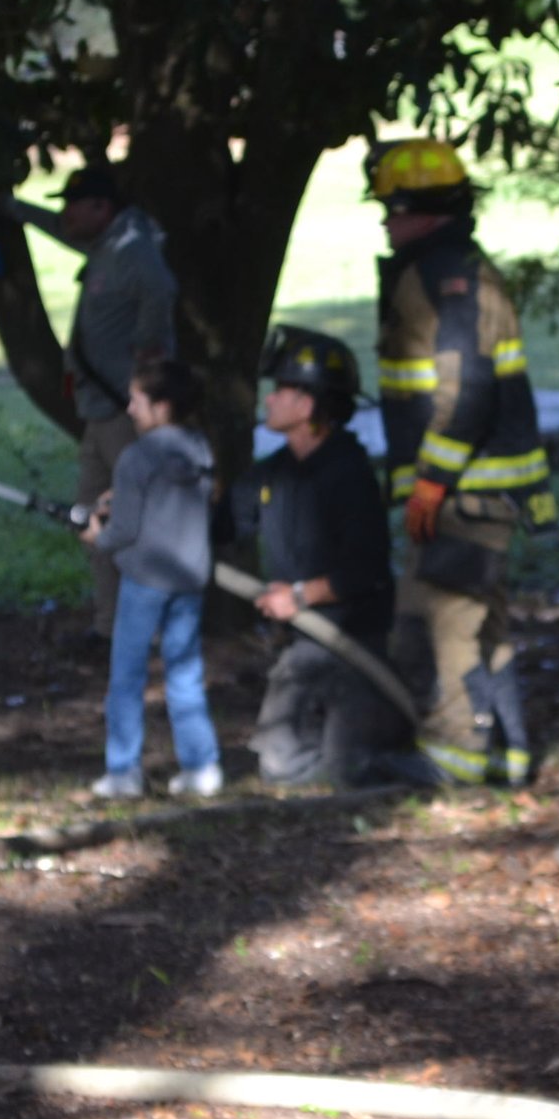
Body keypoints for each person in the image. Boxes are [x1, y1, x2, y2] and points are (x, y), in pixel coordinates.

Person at [366, 137, 557, 787]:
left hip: (462, 494)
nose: (386, 221)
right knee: (484, 625)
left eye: (394, 208)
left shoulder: (444, 277)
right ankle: (508, 751)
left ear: (427, 210)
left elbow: (467, 390)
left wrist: (429, 483)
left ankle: (452, 756)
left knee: (444, 622)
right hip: (481, 492)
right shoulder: (458, 269)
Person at [0, 163, 179, 643]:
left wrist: (148, 352)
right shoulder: (105, 243)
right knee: (92, 520)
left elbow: (161, 292)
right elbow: (56, 228)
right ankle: (111, 627)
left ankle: (152, 631)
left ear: (103, 207)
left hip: (127, 414)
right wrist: (8, 207)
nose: (66, 215)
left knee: (135, 521)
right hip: (99, 412)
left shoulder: (134, 250)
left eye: (74, 205)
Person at [226, 325, 408, 786]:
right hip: (305, 647)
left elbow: (366, 570)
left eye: (280, 391)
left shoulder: (349, 476)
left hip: (354, 642)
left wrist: (301, 596)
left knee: (351, 770)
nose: (268, 400)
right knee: (280, 765)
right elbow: (221, 524)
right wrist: (128, 514)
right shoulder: (276, 474)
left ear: (307, 406)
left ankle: (389, 754)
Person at [77, 357, 220, 800]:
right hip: (189, 579)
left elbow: (124, 531)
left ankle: (123, 773)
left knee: (126, 677)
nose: (130, 410)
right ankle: (202, 767)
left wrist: (96, 535)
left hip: (144, 582)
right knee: (184, 674)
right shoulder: (199, 449)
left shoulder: (135, 457)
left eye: (137, 401)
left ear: (161, 407)